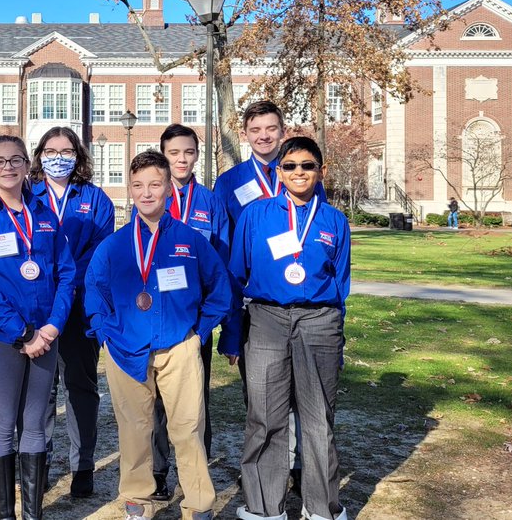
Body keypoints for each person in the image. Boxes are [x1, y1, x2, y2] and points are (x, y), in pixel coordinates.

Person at [85, 150, 234, 520]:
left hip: (178, 347)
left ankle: (197, 502)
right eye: (138, 185)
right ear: (130, 190)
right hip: (124, 350)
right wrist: (104, 331)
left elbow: (219, 290)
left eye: (154, 184)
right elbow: (94, 292)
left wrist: (198, 333)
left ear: (169, 188)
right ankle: (138, 498)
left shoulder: (190, 240)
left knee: (187, 428)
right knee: (135, 430)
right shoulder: (114, 246)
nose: (146, 192)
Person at [228, 137, 351, 520]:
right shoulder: (255, 215)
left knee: (318, 420)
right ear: (279, 172)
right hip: (266, 319)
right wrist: (233, 334)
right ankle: (265, 508)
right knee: (265, 417)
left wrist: (334, 328)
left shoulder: (334, 220)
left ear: (321, 172)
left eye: (308, 165)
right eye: (291, 165)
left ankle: (321, 509)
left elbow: (340, 281)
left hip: (319, 322)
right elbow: (236, 274)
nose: (299, 172)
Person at [0, 135, 76, 520]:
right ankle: (5, 515)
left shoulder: (44, 214)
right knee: (3, 423)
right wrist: (23, 334)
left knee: (36, 423)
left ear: (28, 166)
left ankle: (33, 515)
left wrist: (53, 327)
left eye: (15, 160)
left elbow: (66, 274)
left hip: (45, 334)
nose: (8, 167)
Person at [28, 127, 114, 497]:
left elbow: (99, 252)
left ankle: (82, 466)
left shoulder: (96, 199)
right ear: (39, 155)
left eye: (66, 150)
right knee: (40, 391)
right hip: (38, 308)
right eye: (50, 150)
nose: (58, 156)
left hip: (78, 306)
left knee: (80, 386)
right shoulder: (27, 194)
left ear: (78, 155)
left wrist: (65, 282)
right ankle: (39, 461)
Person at [149, 124, 232, 500]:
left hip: (194, 322)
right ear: (163, 155)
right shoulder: (152, 197)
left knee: (196, 400)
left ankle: (194, 473)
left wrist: (211, 324)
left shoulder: (210, 202)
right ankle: (157, 473)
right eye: (173, 153)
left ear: (197, 155)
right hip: (157, 318)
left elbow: (223, 264)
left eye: (188, 152)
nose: (181, 160)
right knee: (157, 402)